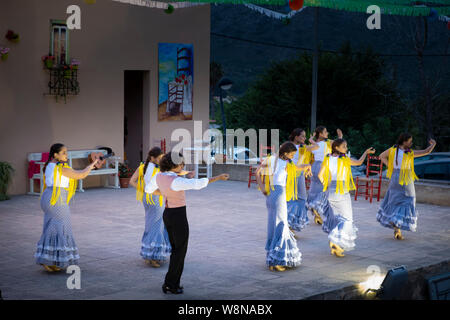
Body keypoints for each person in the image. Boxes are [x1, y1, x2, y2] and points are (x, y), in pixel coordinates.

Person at [151, 151, 229, 294]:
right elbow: (197, 184)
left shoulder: (160, 176)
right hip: (178, 216)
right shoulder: (176, 181)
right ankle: (171, 284)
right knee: (180, 251)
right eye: (181, 164)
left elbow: (152, 188)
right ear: (175, 165)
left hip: (167, 214)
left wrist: (169, 189)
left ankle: (170, 282)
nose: (183, 166)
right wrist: (218, 177)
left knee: (176, 250)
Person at [35, 143, 98, 272]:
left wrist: (90, 166)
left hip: (49, 197)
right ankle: (49, 260)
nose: (66, 155)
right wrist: (91, 166)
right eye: (63, 152)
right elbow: (80, 175)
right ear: (55, 155)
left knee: (53, 228)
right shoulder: (59, 168)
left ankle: (49, 260)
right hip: (56, 198)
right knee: (61, 228)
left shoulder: (50, 166)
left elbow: (76, 173)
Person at [256, 141, 311, 272]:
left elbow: (257, 172)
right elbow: (259, 172)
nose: (293, 156)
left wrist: (307, 165)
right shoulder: (280, 161)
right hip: (279, 193)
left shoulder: (275, 160)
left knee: (274, 225)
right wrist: (263, 188)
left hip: (271, 194)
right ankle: (276, 260)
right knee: (281, 224)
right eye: (292, 154)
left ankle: (273, 259)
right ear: (286, 153)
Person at [318, 139, 375, 257]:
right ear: (337, 148)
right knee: (347, 219)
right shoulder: (344, 159)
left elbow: (320, 175)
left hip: (331, 191)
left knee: (338, 218)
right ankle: (335, 242)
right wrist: (366, 152)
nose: (346, 148)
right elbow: (359, 163)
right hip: (342, 190)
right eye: (344, 146)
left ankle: (335, 243)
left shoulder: (327, 158)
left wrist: (327, 185)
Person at [376, 133, 436, 240]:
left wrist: (391, 166)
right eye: (409, 141)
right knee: (409, 200)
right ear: (404, 141)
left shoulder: (393, 149)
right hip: (405, 178)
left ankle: (396, 227)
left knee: (395, 200)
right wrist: (433, 144)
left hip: (395, 177)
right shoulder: (409, 153)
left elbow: (381, 156)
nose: (411, 143)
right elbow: (426, 151)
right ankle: (397, 224)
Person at [129, 147, 171, 268]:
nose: (160, 160)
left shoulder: (142, 167)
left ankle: (149, 254)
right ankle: (153, 257)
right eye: (159, 158)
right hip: (156, 198)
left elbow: (132, 181)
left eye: (162, 158)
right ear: (152, 158)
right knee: (157, 225)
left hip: (147, 199)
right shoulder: (158, 169)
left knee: (151, 224)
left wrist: (144, 191)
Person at [306, 126, 343, 225]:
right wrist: (340, 136)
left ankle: (315, 211)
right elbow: (339, 145)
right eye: (325, 132)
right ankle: (317, 208)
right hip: (324, 167)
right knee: (324, 190)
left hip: (314, 166)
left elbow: (307, 151)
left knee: (314, 190)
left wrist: (311, 139)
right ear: (321, 134)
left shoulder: (314, 145)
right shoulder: (328, 143)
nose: (327, 133)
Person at [287, 128, 315, 234]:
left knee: (302, 198)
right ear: (296, 137)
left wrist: (312, 140)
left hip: (300, 175)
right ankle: (288, 224)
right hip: (290, 175)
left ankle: (294, 223)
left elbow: (316, 147)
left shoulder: (303, 147)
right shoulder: (288, 146)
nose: (305, 138)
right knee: (291, 199)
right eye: (303, 136)